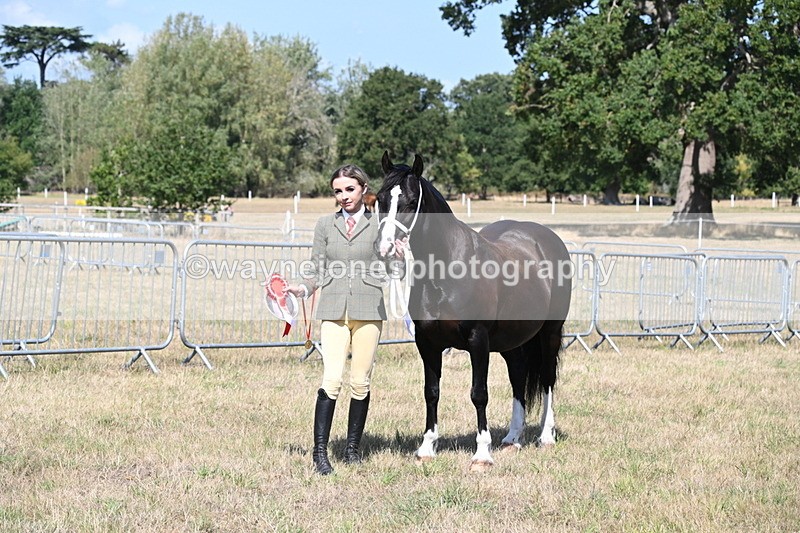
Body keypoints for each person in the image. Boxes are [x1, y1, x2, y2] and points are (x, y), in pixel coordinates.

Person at [285, 164, 402, 476]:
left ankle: (352, 449)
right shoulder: (325, 225)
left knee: (360, 382)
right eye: (338, 190)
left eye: (349, 189)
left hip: (369, 312)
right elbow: (316, 268)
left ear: (364, 189)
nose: (344, 196)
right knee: (332, 379)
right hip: (333, 311)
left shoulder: (381, 226)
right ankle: (320, 452)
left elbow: (392, 274)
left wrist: (398, 257)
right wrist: (302, 287)